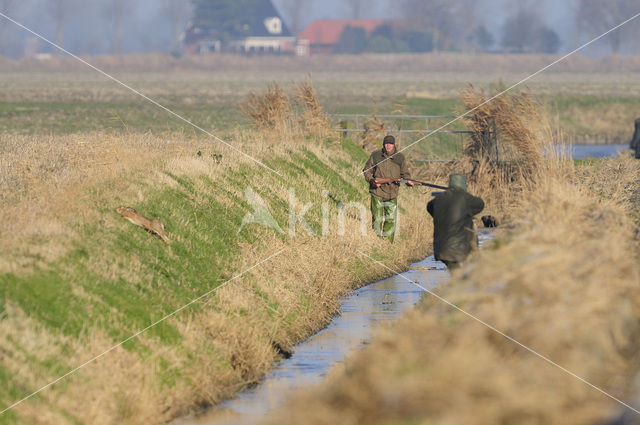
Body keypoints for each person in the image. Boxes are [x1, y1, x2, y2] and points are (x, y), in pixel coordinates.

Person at [362, 135, 413, 243]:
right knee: (377, 218)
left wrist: (408, 181)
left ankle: (387, 243)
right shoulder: (375, 155)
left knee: (391, 219)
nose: (388, 146)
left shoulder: (400, 157)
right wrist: (372, 181)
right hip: (377, 191)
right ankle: (376, 241)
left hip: (392, 192)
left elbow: (405, 174)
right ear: (383, 144)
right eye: (386, 143)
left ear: (394, 145)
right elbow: (367, 170)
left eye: (390, 143)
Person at [427, 174, 484, 269]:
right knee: (460, 278)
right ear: (463, 185)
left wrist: (443, 215)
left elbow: (429, 207)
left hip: (441, 250)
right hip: (459, 250)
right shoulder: (465, 198)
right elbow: (480, 204)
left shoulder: (438, 199)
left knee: (457, 275)